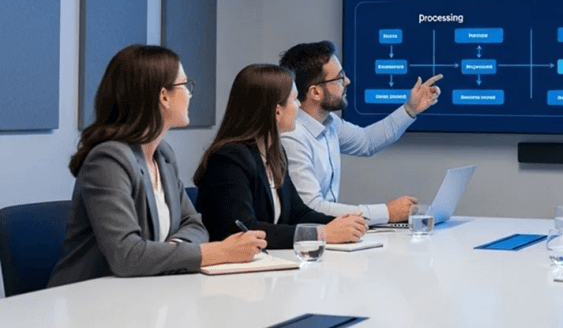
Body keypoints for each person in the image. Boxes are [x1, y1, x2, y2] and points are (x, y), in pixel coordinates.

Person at [48, 46, 265, 287]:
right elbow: (127, 256)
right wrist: (220, 252)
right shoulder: (108, 160)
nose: (190, 95)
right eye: (185, 85)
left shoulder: (163, 155)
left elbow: (194, 224)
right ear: (163, 96)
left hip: (144, 291)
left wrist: (167, 252)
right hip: (90, 300)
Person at [194, 64, 367, 248]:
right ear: (277, 111)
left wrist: (342, 224)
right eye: (294, 99)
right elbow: (244, 230)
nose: (299, 105)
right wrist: (322, 234)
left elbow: (298, 213)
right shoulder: (229, 159)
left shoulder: (274, 152)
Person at [278, 41, 442, 224]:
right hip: (307, 240)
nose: (347, 81)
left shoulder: (329, 123)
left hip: (329, 233)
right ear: (315, 92)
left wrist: (410, 109)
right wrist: (386, 212)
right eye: (339, 78)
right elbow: (312, 207)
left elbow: (367, 141)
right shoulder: (293, 136)